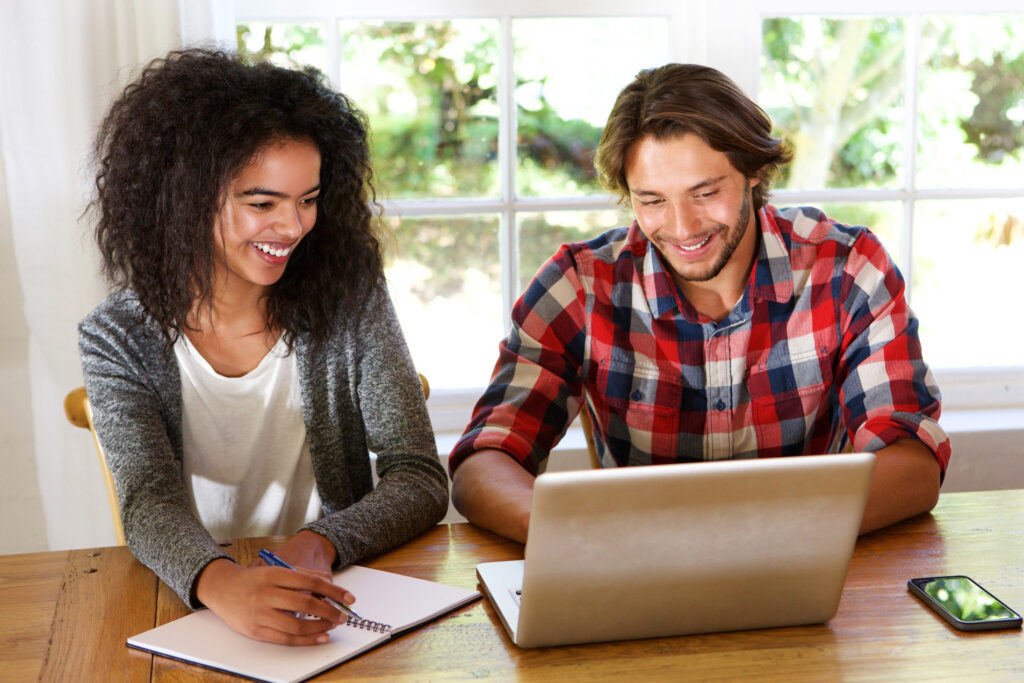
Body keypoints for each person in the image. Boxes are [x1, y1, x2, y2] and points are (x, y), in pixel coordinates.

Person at [449, 63, 951, 544]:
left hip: (814, 561)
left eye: (704, 192)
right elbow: (484, 461)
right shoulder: (578, 286)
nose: (682, 227)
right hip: (638, 575)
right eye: (652, 201)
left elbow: (911, 461)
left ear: (753, 172)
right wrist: (575, 535)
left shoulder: (849, 268)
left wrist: (764, 533)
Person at [78, 48, 448, 646]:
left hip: (331, 597)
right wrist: (222, 582)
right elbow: (147, 502)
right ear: (188, 196)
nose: (294, 227)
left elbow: (419, 476)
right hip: (194, 600)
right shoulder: (117, 335)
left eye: (308, 199)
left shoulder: (349, 301)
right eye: (262, 203)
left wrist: (321, 541)